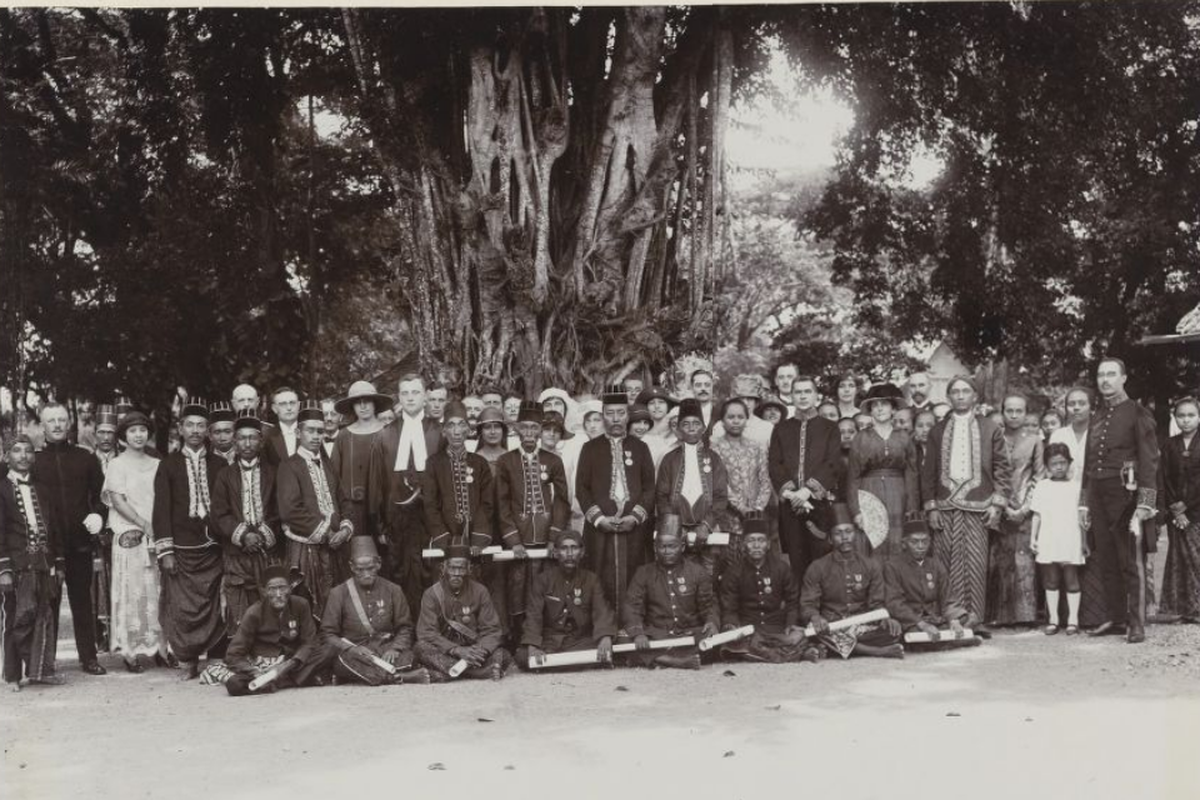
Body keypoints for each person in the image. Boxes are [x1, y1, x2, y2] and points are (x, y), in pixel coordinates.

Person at [920, 376, 1011, 631]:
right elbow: (928, 472)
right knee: (944, 563)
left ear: (975, 396)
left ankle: (975, 618)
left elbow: (1003, 468)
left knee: (976, 562)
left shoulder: (989, 427)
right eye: (955, 392)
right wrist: (931, 507)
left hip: (978, 505)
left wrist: (997, 505)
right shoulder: (937, 430)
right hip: (945, 506)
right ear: (949, 396)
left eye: (965, 391)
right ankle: (950, 617)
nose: (960, 396)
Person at [1079, 358, 1159, 643]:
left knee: (1131, 561)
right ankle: (1115, 618)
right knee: (1107, 559)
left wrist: (1145, 502)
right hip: (1099, 496)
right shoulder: (1097, 415)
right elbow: (1090, 464)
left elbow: (1150, 462)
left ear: (1124, 378)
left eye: (1111, 374)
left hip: (1127, 496)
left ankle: (1136, 623)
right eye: (1101, 375)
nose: (1105, 380)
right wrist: (1084, 502)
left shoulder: (1138, 412)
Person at [30, 402, 108, 676]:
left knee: (82, 602)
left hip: (79, 542)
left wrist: (98, 516)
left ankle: (88, 657)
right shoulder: (34, 460)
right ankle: (46, 662)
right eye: (51, 420)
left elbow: (102, 496)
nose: (57, 425)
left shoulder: (85, 458)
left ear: (69, 423)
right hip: (45, 545)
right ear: (42, 425)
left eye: (62, 419)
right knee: (47, 602)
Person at [152, 398, 228, 679]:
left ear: (208, 431)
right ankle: (188, 660)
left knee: (216, 606)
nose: (195, 430)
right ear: (181, 429)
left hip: (213, 547)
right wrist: (166, 551)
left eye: (201, 426)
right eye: (190, 425)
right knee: (183, 608)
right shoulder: (168, 466)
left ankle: (216, 660)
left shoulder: (220, 465)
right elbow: (160, 511)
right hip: (181, 550)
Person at [368, 373, 441, 613]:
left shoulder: (438, 432)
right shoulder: (385, 435)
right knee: (397, 571)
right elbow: (377, 483)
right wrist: (379, 525)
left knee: (429, 569)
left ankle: (429, 627)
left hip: (430, 519)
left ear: (425, 397)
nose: (410, 398)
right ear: (399, 397)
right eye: (405, 393)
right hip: (395, 518)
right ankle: (402, 627)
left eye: (415, 392)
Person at [577, 386, 656, 610]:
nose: (615, 419)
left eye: (620, 413)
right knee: (598, 577)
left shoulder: (640, 448)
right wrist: (599, 519)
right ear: (603, 415)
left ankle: (632, 625)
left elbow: (650, 488)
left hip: (635, 529)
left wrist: (635, 516)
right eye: (610, 413)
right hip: (599, 530)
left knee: (636, 574)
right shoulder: (590, 449)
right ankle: (603, 627)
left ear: (627, 415)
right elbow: (581, 489)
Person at [496, 402, 570, 636]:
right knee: (517, 590)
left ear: (540, 430)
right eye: (524, 427)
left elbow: (561, 501)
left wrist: (553, 538)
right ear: (517, 428)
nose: (529, 433)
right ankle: (519, 639)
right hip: (519, 541)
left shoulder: (553, 461)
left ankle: (546, 636)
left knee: (546, 589)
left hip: (546, 540)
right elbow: (502, 503)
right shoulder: (506, 461)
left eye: (534, 428)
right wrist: (513, 541)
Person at [277, 399, 355, 617]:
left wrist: (345, 530)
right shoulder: (289, 466)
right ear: (299, 433)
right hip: (307, 547)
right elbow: (290, 510)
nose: (315, 436)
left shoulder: (328, 464)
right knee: (307, 603)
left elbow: (344, 500)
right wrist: (326, 533)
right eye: (310, 431)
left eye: (320, 431)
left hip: (336, 547)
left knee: (337, 601)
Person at [102, 412, 167, 672]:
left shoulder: (157, 463)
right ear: (123, 437)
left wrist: (158, 527)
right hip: (131, 533)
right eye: (132, 431)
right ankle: (130, 651)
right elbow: (118, 500)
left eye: (142, 430)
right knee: (133, 591)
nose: (138, 435)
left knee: (159, 591)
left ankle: (162, 648)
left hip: (157, 534)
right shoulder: (117, 465)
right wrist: (143, 524)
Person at [1, 435, 66, 689]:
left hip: (44, 564)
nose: (23, 456)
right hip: (16, 567)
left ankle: (40, 671)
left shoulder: (44, 489)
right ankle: (12, 675)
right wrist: (3, 568)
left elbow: (56, 529)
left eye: (28, 451)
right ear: (7, 456)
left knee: (43, 617)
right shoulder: (1, 489)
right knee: (16, 619)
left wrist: (58, 562)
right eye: (16, 451)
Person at [800, 503, 904, 659]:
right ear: (830, 538)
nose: (844, 537)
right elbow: (808, 604)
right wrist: (815, 617)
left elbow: (877, 603)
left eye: (848, 531)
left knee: (893, 630)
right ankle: (877, 652)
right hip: (832, 625)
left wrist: (885, 619)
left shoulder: (870, 564)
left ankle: (838, 648)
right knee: (813, 630)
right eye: (838, 533)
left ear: (855, 534)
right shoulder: (817, 567)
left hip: (861, 624)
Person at [320, 537, 429, 685]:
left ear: (378, 564)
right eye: (360, 569)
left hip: (386, 649)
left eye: (370, 568)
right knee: (342, 661)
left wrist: (395, 649)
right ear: (351, 567)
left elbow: (405, 627)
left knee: (411, 655)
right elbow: (328, 634)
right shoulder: (338, 593)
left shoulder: (393, 590)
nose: (366, 574)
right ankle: (403, 677)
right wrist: (351, 649)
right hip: (355, 653)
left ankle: (355, 676)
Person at [210, 411, 281, 638]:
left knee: (271, 602)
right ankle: (242, 656)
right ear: (235, 441)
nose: (247, 443)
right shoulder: (224, 475)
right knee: (240, 610)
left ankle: (270, 654)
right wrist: (243, 535)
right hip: (236, 554)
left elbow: (281, 509)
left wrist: (261, 534)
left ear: (261, 441)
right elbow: (219, 513)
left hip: (268, 552)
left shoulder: (274, 473)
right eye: (242, 438)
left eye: (252, 438)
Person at [768, 376, 842, 588]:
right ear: (791, 396)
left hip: (818, 504)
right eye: (797, 392)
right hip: (790, 505)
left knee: (821, 557)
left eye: (807, 391)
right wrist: (792, 494)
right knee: (796, 559)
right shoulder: (781, 428)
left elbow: (832, 463)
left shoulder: (829, 428)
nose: (802, 396)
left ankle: (822, 608)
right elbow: (775, 463)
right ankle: (801, 611)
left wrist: (808, 491)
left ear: (816, 396)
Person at [718, 512, 820, 663]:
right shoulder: (734, 572)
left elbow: (792, 602)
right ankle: (795, 655)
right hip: (749, 629)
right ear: (743, 544)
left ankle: (767, 654)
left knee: (799, 636)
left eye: (761, 540)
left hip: (777, 629)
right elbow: (729, 608)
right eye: (751, 541)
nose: (757, 545)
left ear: (768, 544)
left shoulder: (782, 568)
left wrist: (790, 624)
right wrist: (732, 626)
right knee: (732, 643)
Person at [517, 529, 616, 670]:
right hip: (550, 642)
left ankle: (553, 665)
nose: (569, 554)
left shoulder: (591, 579)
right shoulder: (543, 580)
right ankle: (578, 662)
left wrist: (605, 637)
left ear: (581, 552)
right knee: (522, 656)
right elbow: (534, 615)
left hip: (580, 641)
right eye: (564, 548)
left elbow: (601, 610)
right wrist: (533, 646)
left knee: (610, 646)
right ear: (556, 552)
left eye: (574, 548)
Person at [621, 528, 719, 670]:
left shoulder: (697, 571)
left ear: (682, 547)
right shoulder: (643, 572)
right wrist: (638, 633)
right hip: (657, 635)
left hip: (689, 633)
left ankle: (658, 659)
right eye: (662, 547)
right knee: (622, 638)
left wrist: (711, 621)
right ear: (655, 548)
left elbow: (709, 604)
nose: (667, 552)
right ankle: (676, 661)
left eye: (672, 546)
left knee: (716, 639)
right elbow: (632, 607)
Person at [222, 564, 327, 696]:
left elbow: (309, 642)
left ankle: (283, 681)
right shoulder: (254, 613)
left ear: (290, 588)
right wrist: (255, 672)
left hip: (293, 662)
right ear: (265, 591)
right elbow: (233, 655)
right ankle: (295, 680)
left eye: (282, 588)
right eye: (272, 589)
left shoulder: (301, 605)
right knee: (234, 684)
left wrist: (289, 664)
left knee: (329, 648)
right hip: (264, 666)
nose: (278, 594)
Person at [986, 394, 1045, 627]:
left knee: (1024, 560)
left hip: (1025, 508)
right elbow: (989, 473)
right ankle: (1000, 615)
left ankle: (1026, 614)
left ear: (1025, 413)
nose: (1013, 415)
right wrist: (1002, 504)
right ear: (1002, 412)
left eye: (1018, 411)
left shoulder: (1034, 441)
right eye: (1009, 410)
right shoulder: (994, 438)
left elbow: (1039, 476)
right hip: (999, 506)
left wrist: (1024, 508)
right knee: (1000, 561)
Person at [1050, 388, 1107, 628]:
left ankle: (1096, 615)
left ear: (1091, 406)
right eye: (1071, 404)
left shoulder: (1100, 432)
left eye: (1081, 403)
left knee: (1092, 553)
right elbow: (1050, 467)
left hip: (1096, 499)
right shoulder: (1058, 434)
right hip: (1064, 501)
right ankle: (1065, 616)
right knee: (1067, 555)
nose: (1075, 408)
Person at [845, 383, 920, 561]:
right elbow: (853, 477)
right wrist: (856, 511)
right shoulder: (861, 438)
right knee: (872, 543)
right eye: (874, 405)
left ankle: (895, 587)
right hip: (869, 493)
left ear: (893, 409)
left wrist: (911, 507)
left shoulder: (904, 437)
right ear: (870, 411)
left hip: (898, 494)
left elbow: (911, 473)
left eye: (884, 404)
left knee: (898, 543)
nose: (879, 409)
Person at [416, 546, 512, 680]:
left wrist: (480, 650)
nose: (456, 573)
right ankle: (475, 673)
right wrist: (456, 650)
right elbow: (427, 632)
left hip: (474, 649)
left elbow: (492, 630)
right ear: (443, 568)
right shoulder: (431, 594)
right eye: (452, 568)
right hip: (447, 650)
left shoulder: (480, 591)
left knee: (502, 653)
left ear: (469, 569)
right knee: (421, 648)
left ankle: (453, 671)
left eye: (461, 568)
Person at [656, 398, 729, 575]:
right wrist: (673, 526)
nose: (690, 428)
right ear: (678, 429)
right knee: (676, 574)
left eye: (696, 423)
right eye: (685, 424)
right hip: (675, 528)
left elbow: (720, 497)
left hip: (706, 526)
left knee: (707, 575)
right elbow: (662, 496)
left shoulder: (713, 458)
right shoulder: (669, 459)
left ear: (703, 428)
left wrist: (706, 525)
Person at [883, 518, 975, 649]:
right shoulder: (892, 566)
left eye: (924, 541)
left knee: (968, 618)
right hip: (911, 621)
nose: (920, 546)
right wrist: (921, 624)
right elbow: (895, 603)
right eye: (914, 542)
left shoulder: (935, 564)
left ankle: (950, 637)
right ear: (904, 543)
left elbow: (948, 597)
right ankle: (960, 640)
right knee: (910, 634)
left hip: (935, 618)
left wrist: (954, 620)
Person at [1030, 443, 1086, 634]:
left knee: (1071, 578)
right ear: (1047, 466)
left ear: (1069, 463)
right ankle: (1053, 619)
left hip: (1071, 537)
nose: (1059, 467)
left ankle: (1073, 620)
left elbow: (1082, 517)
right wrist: (1033, 538)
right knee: (1051, 579)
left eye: (1063, 462)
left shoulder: (1077, 487)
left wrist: (1085, 541)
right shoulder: (1042, 486)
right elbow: (1036, 515)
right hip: (1049, 537)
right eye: (1054, 464)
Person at [424, 401, 495, 551]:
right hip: (445, 541)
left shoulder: (480, 463)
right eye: (451, 425)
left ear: (469, 430)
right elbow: (430, 505)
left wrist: (478, 539)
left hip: (475, 541)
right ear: (443, 431)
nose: (456, 432)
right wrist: (445, 540)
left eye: (462, 424)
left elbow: (487, 502)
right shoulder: (433, 463)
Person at [330, 381, 392, 542]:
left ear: (375, 403)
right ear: (352, 406)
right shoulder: (344, 436)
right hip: (351, 509)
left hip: (382, 508)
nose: (363, 406)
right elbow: (333, 476)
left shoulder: (388, 433)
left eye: (367, 401)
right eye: (358, 402)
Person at [1160, 397, 1200, 622]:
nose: (1186, 420)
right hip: (1176, 513)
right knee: (1178, 558)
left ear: (1199, 417)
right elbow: (1164, 477)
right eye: (1181, 416)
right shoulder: (1169, 444)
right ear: (1175, 418)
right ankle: (1179, 609)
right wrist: (1175, 509)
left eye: (1190, 415)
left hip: (1197, 511)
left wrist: (1187, 505)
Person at [710, 399, 773, 542]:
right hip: (728, 518)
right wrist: (741, 507)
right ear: (722, 420)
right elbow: (719, 483)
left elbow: (765, 479)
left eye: (740, 417)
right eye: (731, 417)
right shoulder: (714, 447)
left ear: (747, 420)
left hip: (757, 517)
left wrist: (758, 508)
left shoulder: (756, 446)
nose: (736, 421)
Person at [91, 404, 119, 653]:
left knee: (119, 580)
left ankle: (118, 634)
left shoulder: (123, 460)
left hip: (120, 527)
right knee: (96, 582)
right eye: (102, 432)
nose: (106, 437)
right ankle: (98, 633)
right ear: (94, 434)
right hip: (93, 529)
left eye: (111, 432)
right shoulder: (87, 460)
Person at [637, 386, 679, 467]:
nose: (657, 406)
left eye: (661, 402)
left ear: (668, 406)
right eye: (651, 403)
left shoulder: (677, 433)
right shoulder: (642, 437)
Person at [263, 387, 301, 467]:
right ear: (274, 408)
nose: (289, 408)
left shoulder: (310, 433)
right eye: (283, 404)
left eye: (292, 403)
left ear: (298, 405)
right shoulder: (267, 437)